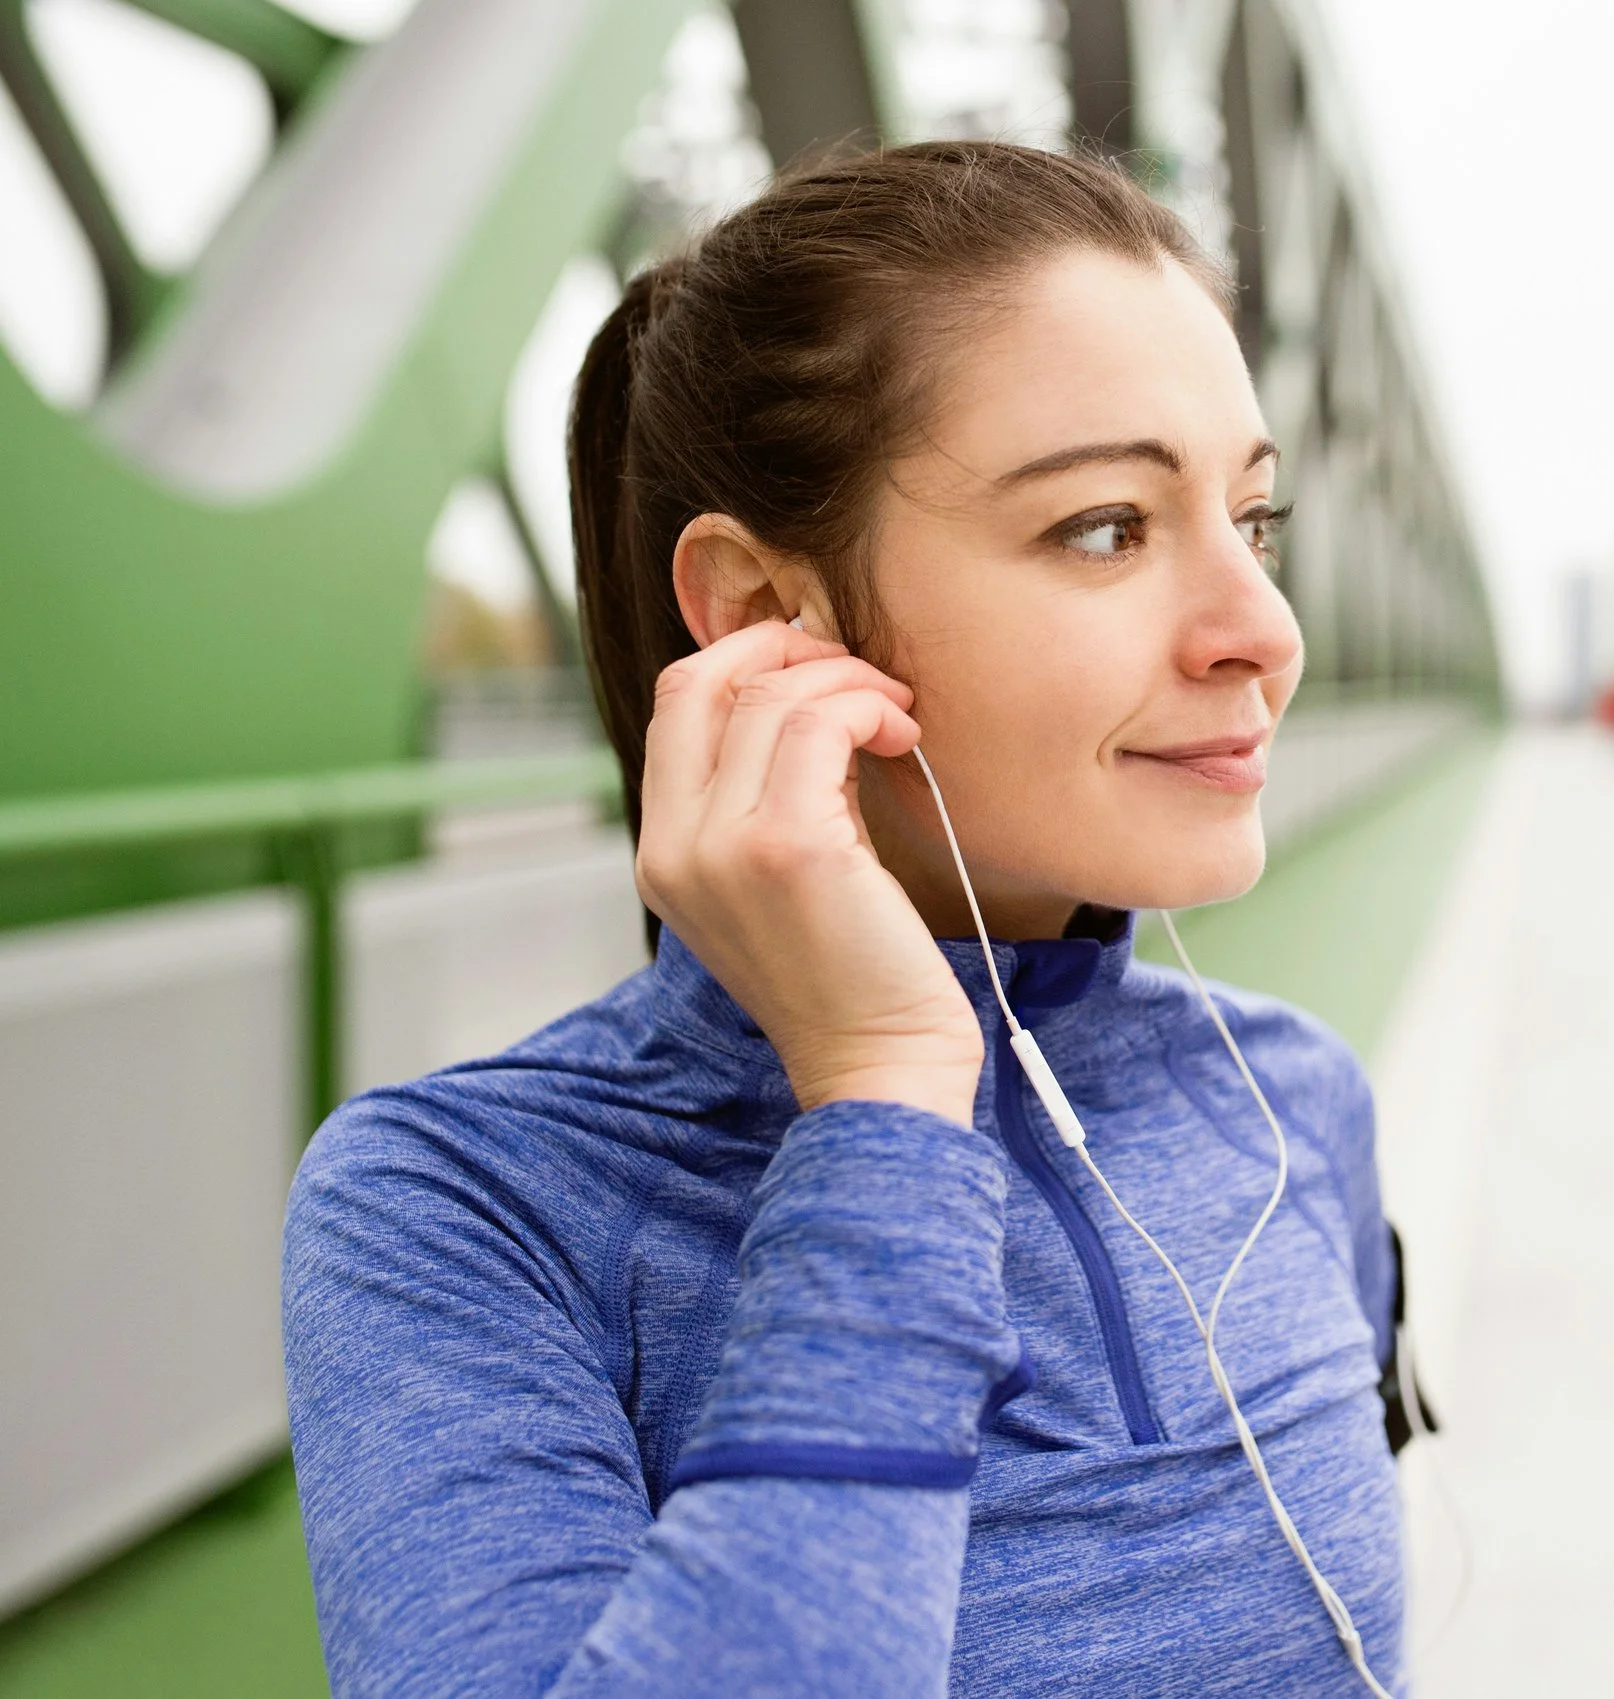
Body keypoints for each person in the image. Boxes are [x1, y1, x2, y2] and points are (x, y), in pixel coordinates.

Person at [282, 142, 1417, 1695]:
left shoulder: (1290, 1101)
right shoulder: (467, 1207)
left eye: (1255, 521)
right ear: (763, 616)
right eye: (1108, 526)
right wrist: (883, 1090)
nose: (1264, 633)